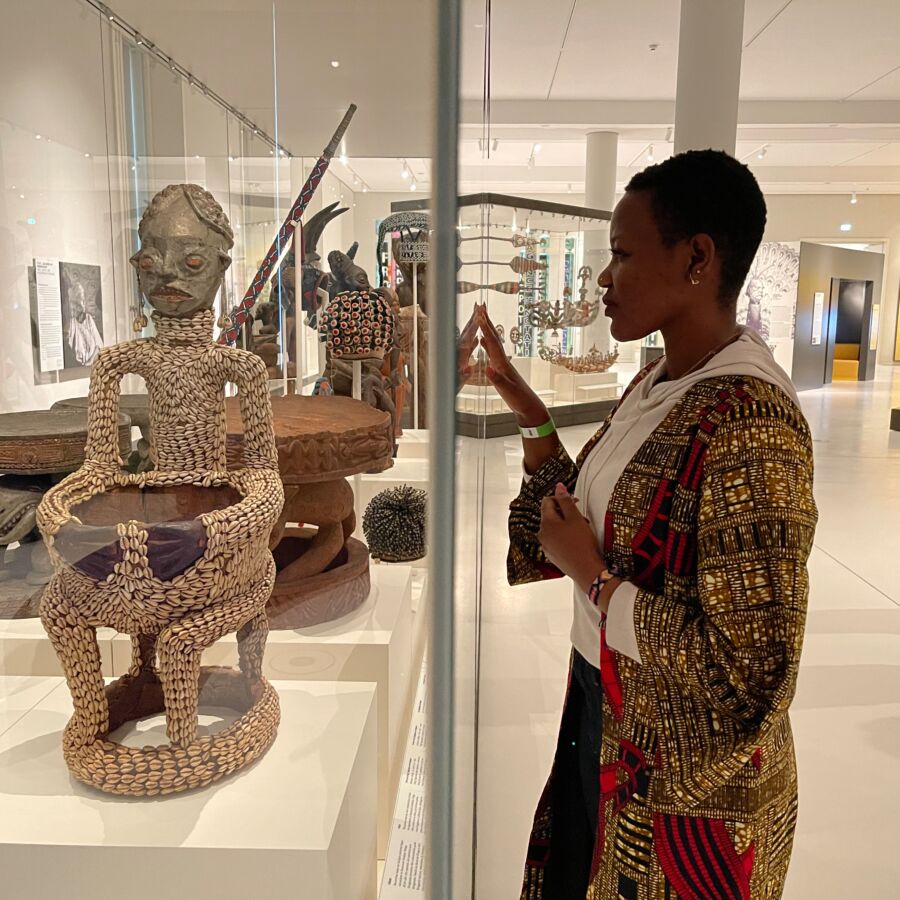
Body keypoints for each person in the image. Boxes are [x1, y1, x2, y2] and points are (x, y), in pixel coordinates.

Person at [477, 149, 818, 899]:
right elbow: (585, 519)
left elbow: (752, 673)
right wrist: (532, 416)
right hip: (608, 711)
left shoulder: (751, 422)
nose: (603, 279)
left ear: (698, 258)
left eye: (622, 255)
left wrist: (594, 581)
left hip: (684, 784)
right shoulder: (658, 380)